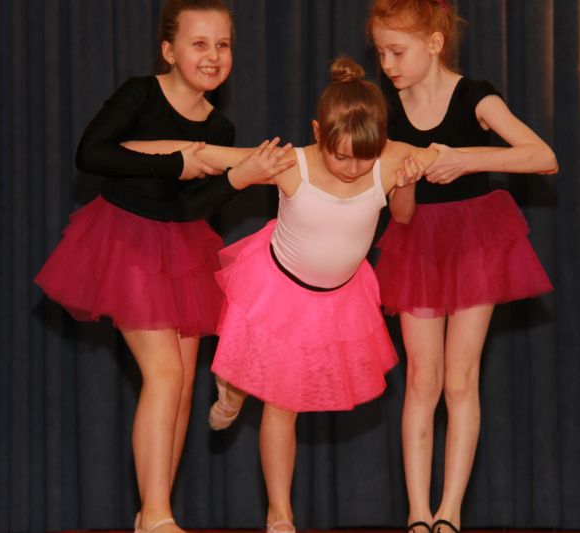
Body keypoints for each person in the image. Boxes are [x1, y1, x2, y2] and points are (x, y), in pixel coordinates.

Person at [124, 56, 439, 533]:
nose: (353, 167)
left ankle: (272, 494)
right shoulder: (293, 163)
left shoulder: (392, 158)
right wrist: (130, 151)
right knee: (270, 394)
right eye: (341, 155)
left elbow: (405, 214)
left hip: (338, 299)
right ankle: (246, 425)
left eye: (364, 156)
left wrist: (409, 184)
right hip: (276, 290)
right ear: (317, 133)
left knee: (283, 402)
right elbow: (204, 153)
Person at [34, 2, 291, 533]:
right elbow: (92, 153)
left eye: (222, 45)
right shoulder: (140, 94)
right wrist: (175, 162)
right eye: (199, 44)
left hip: (181, 249)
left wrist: (238, 177)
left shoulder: (219, 125)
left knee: (182, 385)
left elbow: (192, 206)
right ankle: (156, 516)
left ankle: (153, 512)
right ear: (169, 51)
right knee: (165, 374)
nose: (213, 55)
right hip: (126, 241)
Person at [367, 2, 559, 533]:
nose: (387, 64)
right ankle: (418, 514)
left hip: (476, 238)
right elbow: (399, 213)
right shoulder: (387, 108)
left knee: (460, 378)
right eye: (381, 52)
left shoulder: (475, 95)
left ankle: (449, 513)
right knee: (422, 378)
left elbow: (542, 156)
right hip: (417, 242)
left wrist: (466, 159)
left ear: (433, 44)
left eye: (397, 51)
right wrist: (405, 182)